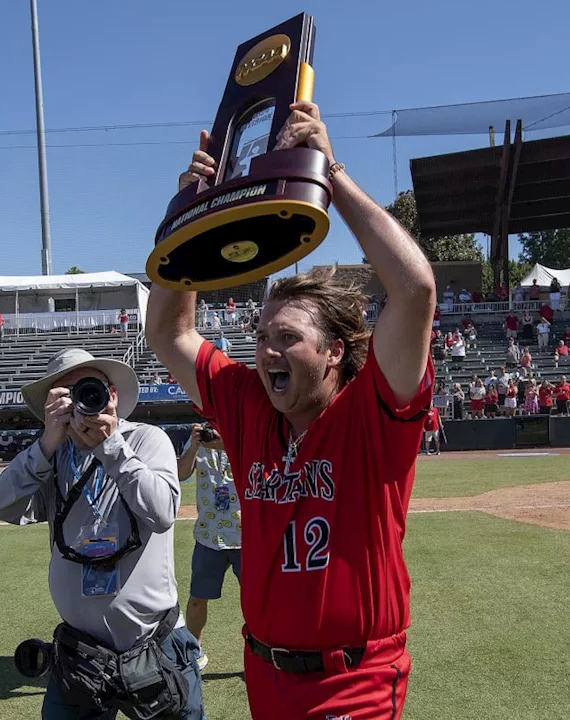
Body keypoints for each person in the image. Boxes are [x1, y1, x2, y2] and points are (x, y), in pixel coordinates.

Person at [146, 101, 434, 719]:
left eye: (288, 338)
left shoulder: (372, 415)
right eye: (261, 335)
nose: (266, 349)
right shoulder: (250, 405)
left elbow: (414, 290)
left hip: (353, 678)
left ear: (333, 353)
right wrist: (188, 220)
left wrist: (330, 173)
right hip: (266, 674)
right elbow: (169, 331)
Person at [0, 348, 203, 719]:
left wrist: (111, 447)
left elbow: (163, 513)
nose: (83, 401)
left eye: (91, 389)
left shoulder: (146, 440)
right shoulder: (52, 457)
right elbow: (0, 506)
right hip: (80, 654)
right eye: (67, 394)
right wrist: (45, 445)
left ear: (113, 395)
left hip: (155, 643)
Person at [176, 422, 240, 671]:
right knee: (197, 599)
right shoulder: (199, 444)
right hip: (208, 536)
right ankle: (194, 650)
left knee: (256, 601)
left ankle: (264, 651)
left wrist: (225, 441)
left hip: (245, 536)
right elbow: (181, 474)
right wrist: (194, 444)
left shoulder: (242, 437)